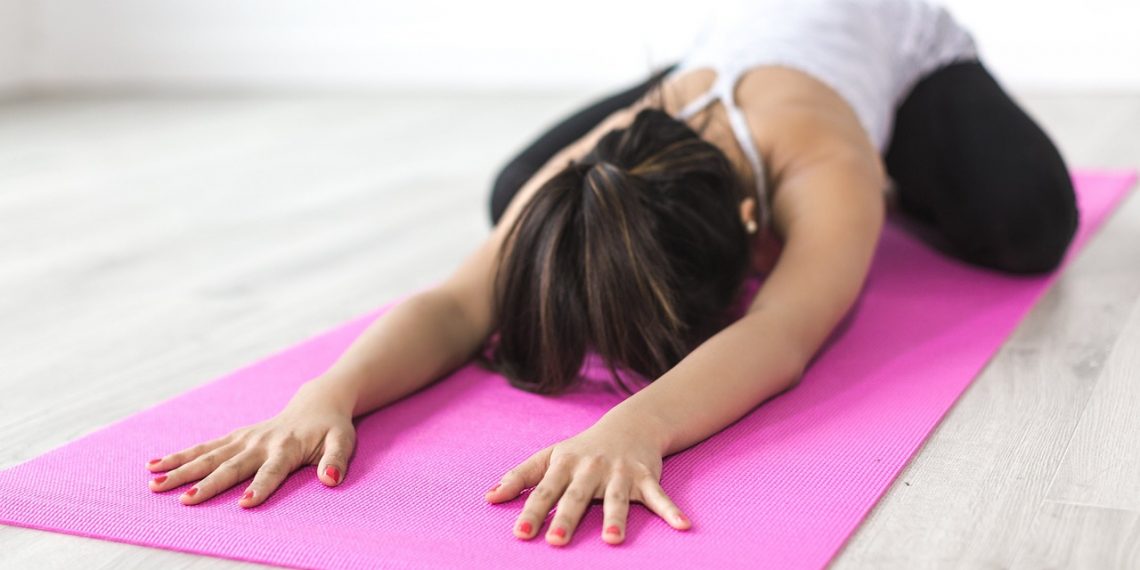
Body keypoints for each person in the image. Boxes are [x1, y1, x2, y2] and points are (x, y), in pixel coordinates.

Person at [144, 0, 1078, 548]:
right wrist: (328, 394)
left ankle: (912, 169)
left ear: (759, 244)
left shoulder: (825, 166)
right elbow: (458, 300)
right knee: (523, 197)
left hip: (892, 43)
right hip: (719, 58)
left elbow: (783, 335)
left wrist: (637, 425)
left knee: (1032, 224)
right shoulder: (614, 149)